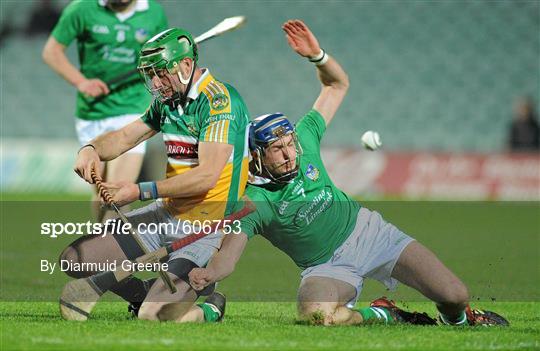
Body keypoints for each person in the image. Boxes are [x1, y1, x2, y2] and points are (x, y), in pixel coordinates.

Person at [188, 20, 509, 327]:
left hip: (372, 234)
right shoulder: (253, 201)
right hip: (327, 267)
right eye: (277, 148)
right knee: (315, 315)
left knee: (455, 295)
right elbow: (228, 258)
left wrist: (318, 56)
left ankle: (459, 319)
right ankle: (384, 314)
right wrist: (210, 274)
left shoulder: (306, 139)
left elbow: (337, 84)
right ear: (257, 156)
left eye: (290, 144)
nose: (289, 154)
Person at [62, 27, 250, 323]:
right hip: (164, 215)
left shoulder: (219, 102)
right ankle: (144, 293)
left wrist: (138, 191)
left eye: (161, 73)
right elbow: (124, 137)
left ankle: (210, 304)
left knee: (154, 316)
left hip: (204, 228)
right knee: (75, 259)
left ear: (186, 66)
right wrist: (91, 149)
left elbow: (206, 177)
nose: (156, 82)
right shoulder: (167, 102)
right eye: (151, 75)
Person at [42, 0, 168, 221]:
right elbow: (51, 51)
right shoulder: (82, 9)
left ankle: (112, 252)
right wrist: (81, 82)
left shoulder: (154, 13)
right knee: (100, 195)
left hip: (133, 107)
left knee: (117, 193)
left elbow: (158, 59)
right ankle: (100, 243)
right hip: (92, 113)